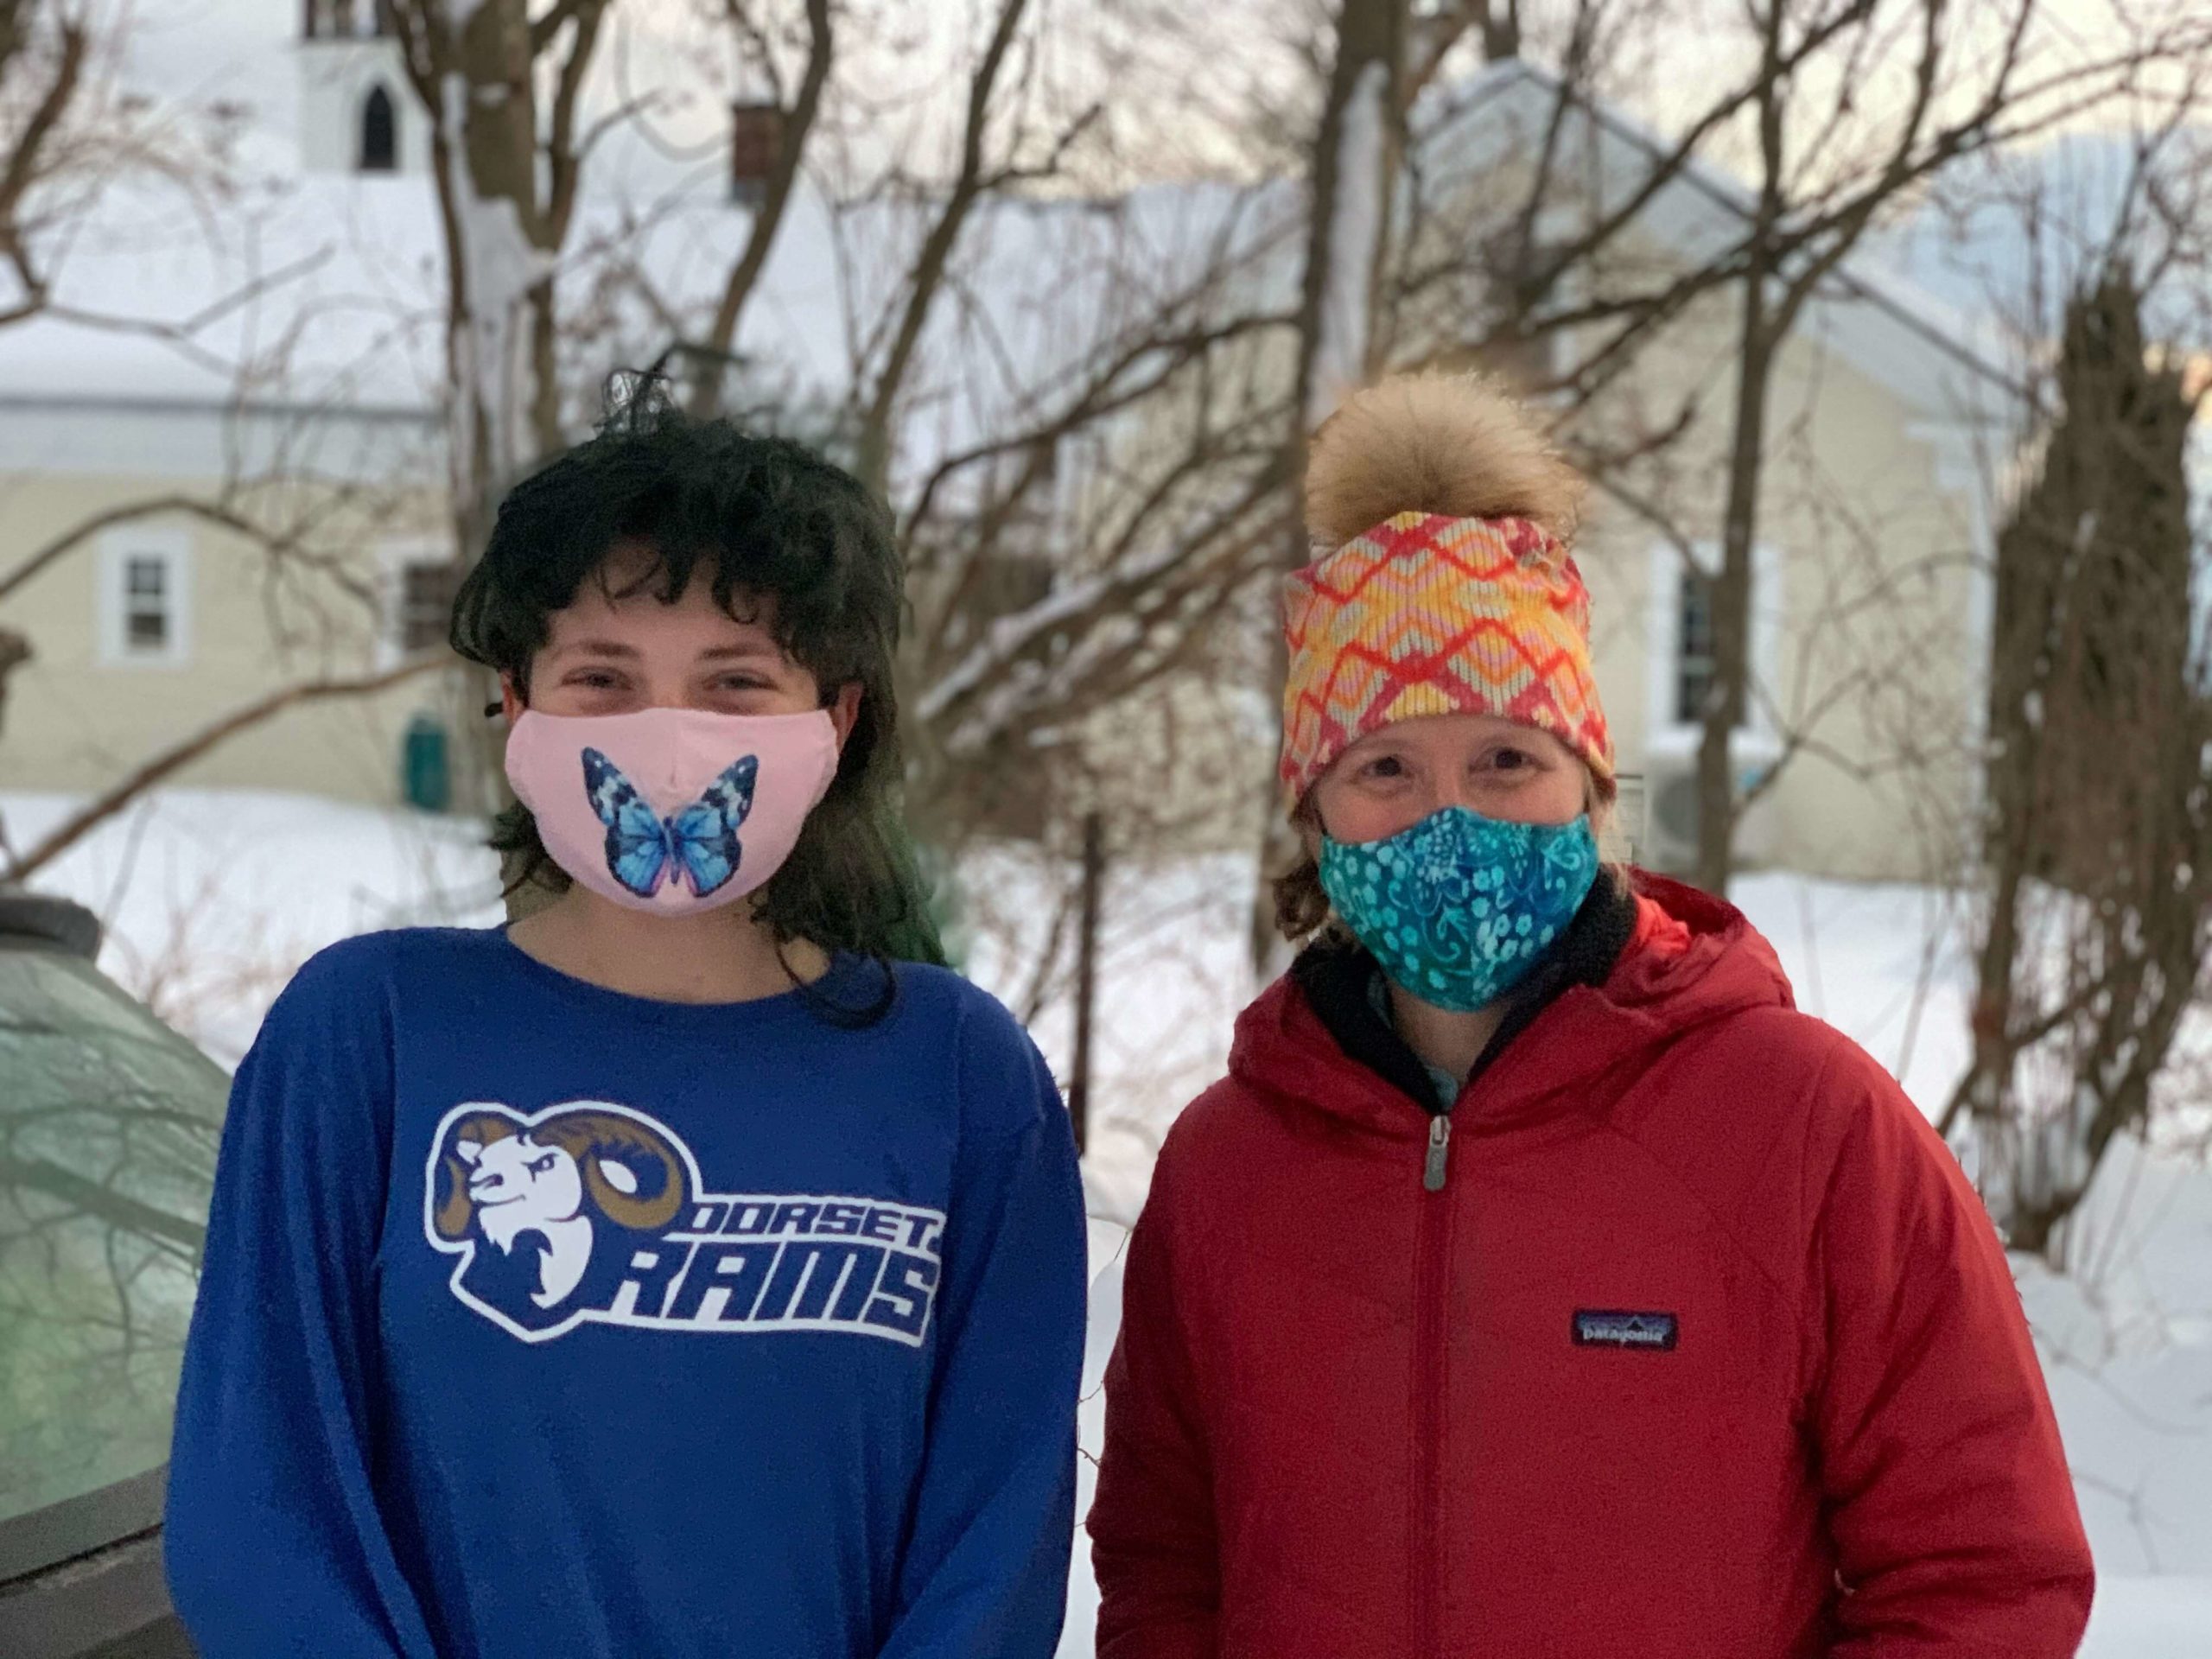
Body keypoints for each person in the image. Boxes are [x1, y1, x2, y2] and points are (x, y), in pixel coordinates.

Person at [1089, 373, 2094, 1657]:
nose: (1451, 819)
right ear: (1313, 812)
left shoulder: (1807, 1127)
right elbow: (1167, 1570)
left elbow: (1984, 1573)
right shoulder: (1229, 1170)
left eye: (1508, 759)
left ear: (1589, 785)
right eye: (1385, 768)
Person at [164, 384, 1087, 1658]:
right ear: (518, 703)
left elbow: (996, 1546)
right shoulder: (368, 1035)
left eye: (736, 680)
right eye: (602, 677)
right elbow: (257, 1509)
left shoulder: (960, 1079)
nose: (670, 738)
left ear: (839, 719)